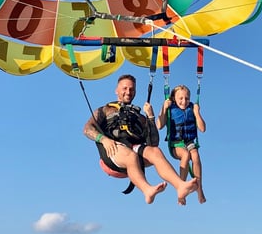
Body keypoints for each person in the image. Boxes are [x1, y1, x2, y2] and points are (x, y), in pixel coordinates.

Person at [84, 74, 198, 205]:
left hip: (133, 149)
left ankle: (180, 186)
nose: (128, 92)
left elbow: (153, 143)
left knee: (156, 152)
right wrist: (103, 139)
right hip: (112, 150)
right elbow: (87, 129)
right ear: (116, 90)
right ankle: (147, 190)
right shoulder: (104, 110)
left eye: (131, 89)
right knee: (130, 156)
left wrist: (150, 117)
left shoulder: (139, 116)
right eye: (124, 88)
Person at [157, 84, 206, 204]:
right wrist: (164, 108)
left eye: (187, 98)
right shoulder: (170, 108)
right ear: (174, 98)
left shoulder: (192, 108)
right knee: (186, 155)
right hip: (175, 144)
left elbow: (202, 129)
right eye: (180, 98)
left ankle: (199, 189)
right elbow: (159, 125)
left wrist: (197, 112)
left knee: (195, 156)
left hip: (189, 141)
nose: (184, 101)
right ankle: (181, 189)